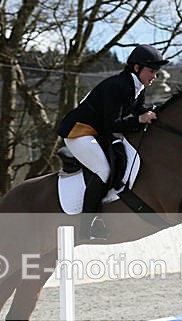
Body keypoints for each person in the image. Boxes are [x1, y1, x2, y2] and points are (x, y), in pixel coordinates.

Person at [57, 44, 168, 239]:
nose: (154, 76)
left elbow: (138, 109)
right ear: (136, 68)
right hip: (79, 132)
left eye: (156, 72)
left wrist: (156, 113)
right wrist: (139, 120)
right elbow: (112, 125)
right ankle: (87, 225)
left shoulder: (137, 86)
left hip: (97, 132)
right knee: (104, 170)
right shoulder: (118, 86)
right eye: (152, 71)